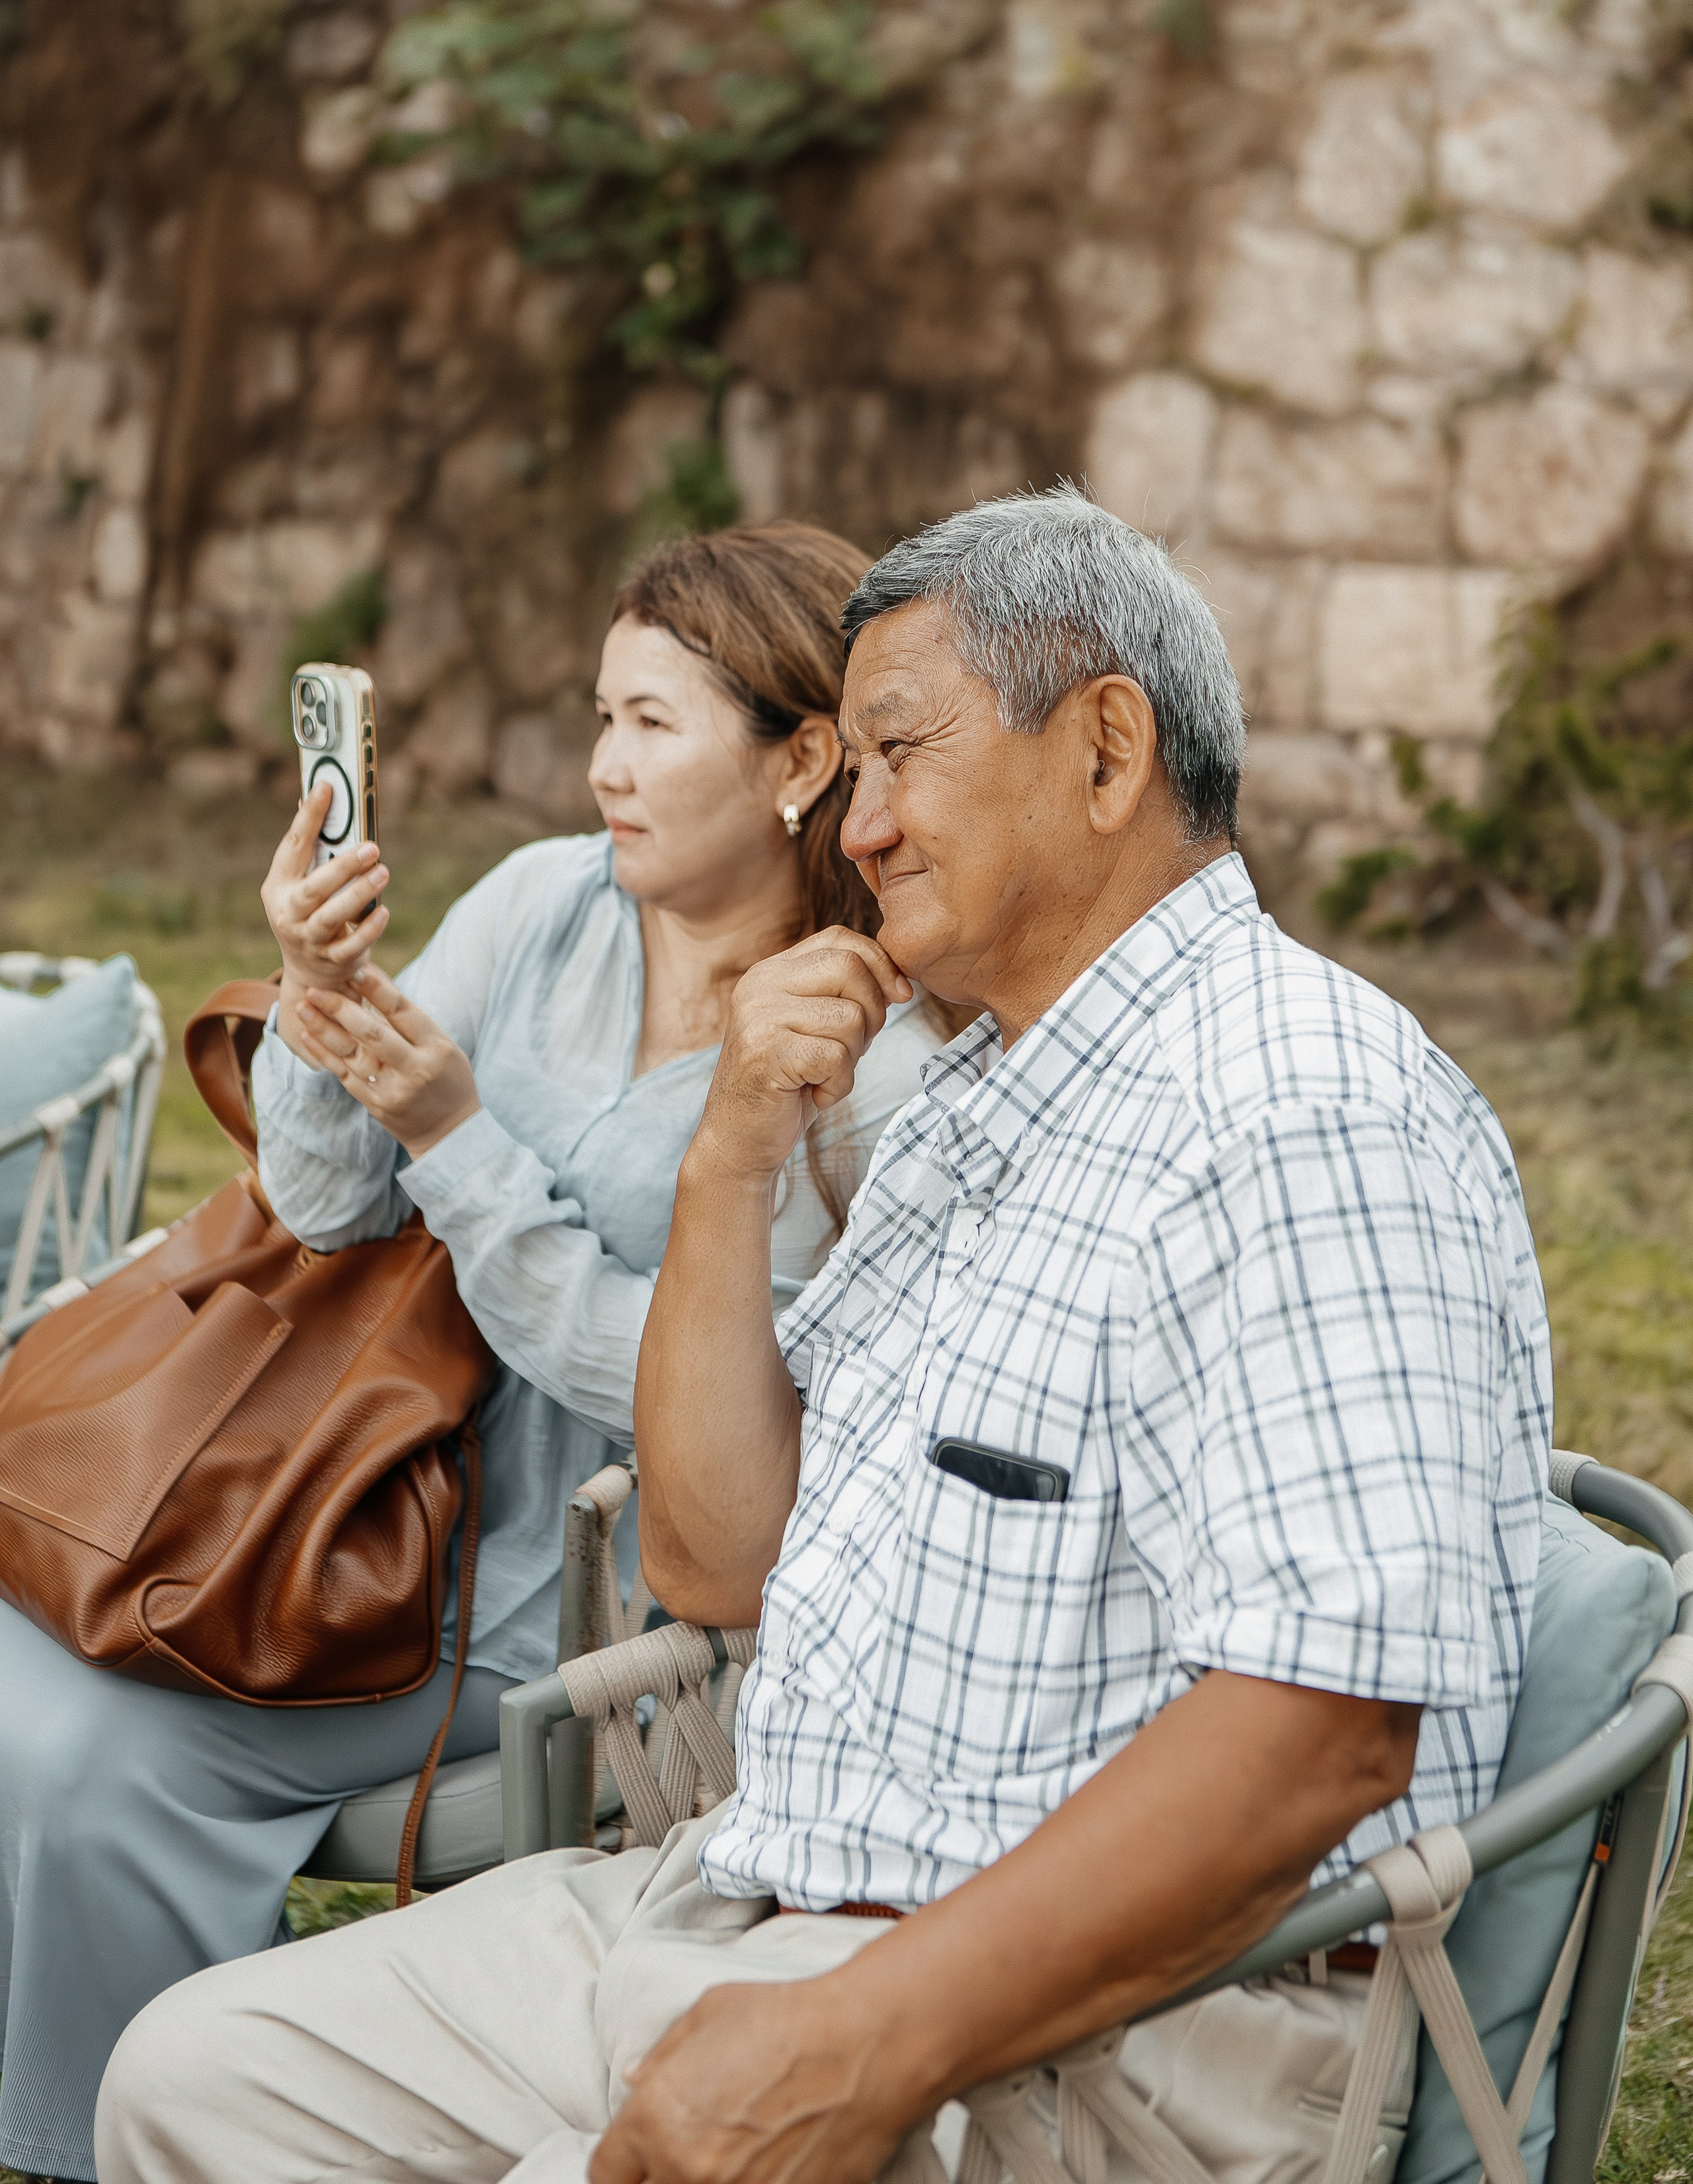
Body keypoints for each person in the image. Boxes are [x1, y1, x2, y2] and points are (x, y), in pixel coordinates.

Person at [96, 489, 1553, 2184]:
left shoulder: (1302, 1111)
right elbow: (718, 1564)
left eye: (895, 755)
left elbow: (1324, 1728)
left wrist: (860, 2035)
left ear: (1102, 752)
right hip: (754, 1887)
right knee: (196, 2075)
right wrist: (728, 1153)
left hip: (1087, 2024)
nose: (851, 830)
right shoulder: (971, 1096)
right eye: (846, 770)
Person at [0, 522, 952, 2184]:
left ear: (802, 759)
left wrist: (459, 1140)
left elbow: (685, 1394)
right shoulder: (544, 906)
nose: (602, 770)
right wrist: (320, 990)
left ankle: (107, 2138)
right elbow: (321, 1200)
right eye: (601, 718)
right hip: (345, 1503)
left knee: (90, 1750)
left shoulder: (854, 1050)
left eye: (652, 727)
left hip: (577, 1608)